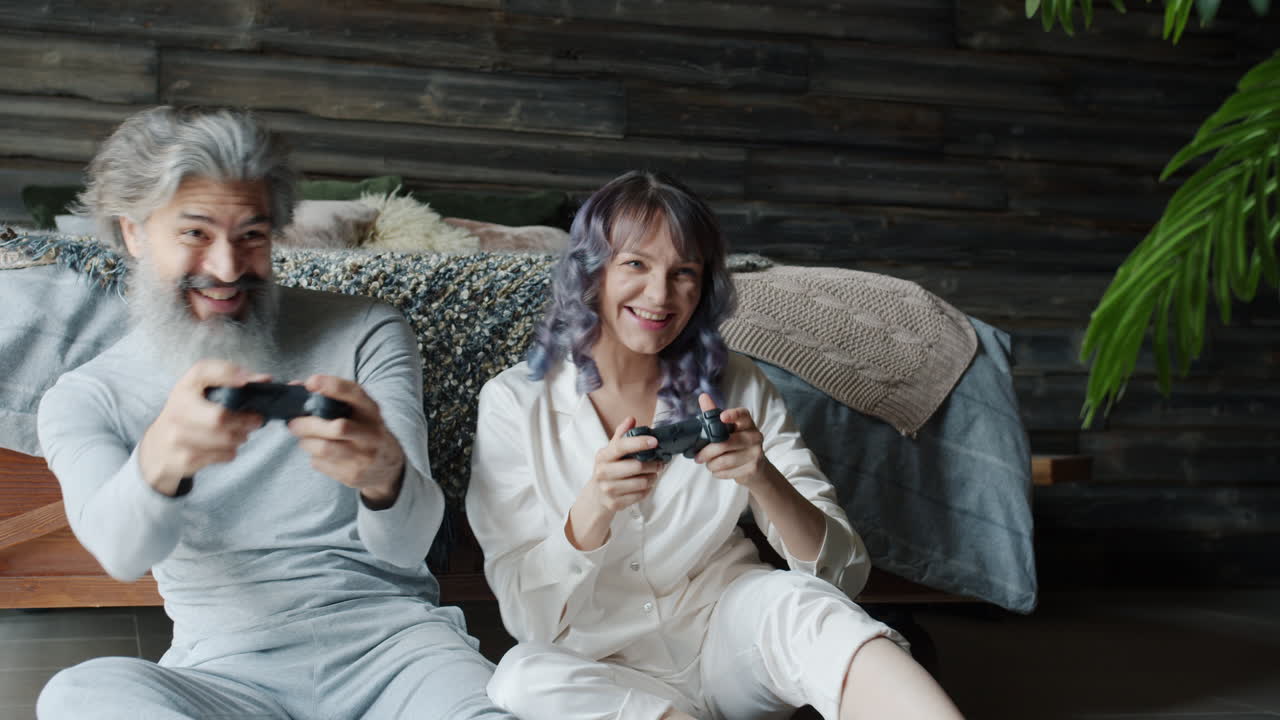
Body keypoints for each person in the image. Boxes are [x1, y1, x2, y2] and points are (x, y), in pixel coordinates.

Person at [35, 106, 514, 720]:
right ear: (133, 232)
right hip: (226, 671)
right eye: (196, 234)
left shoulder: (367, 330)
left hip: (400, 653)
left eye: (251, 236)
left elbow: (408, 545)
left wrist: (382, 474)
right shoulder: (86, 395)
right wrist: (161, 460)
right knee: (76, 696)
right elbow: (122, 554)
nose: (228, 269)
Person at [466, 171, 965, 720]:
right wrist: (595, 506)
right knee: (521, 677)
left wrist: (761, 476)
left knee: (801, 605)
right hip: (602, 663)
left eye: (684, 272)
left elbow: (841, 575)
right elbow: (528, 617)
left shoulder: (738, 384)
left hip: (726, 636)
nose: (660, 295)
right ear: (593, 271)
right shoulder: (514, 403)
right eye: (636, 264)